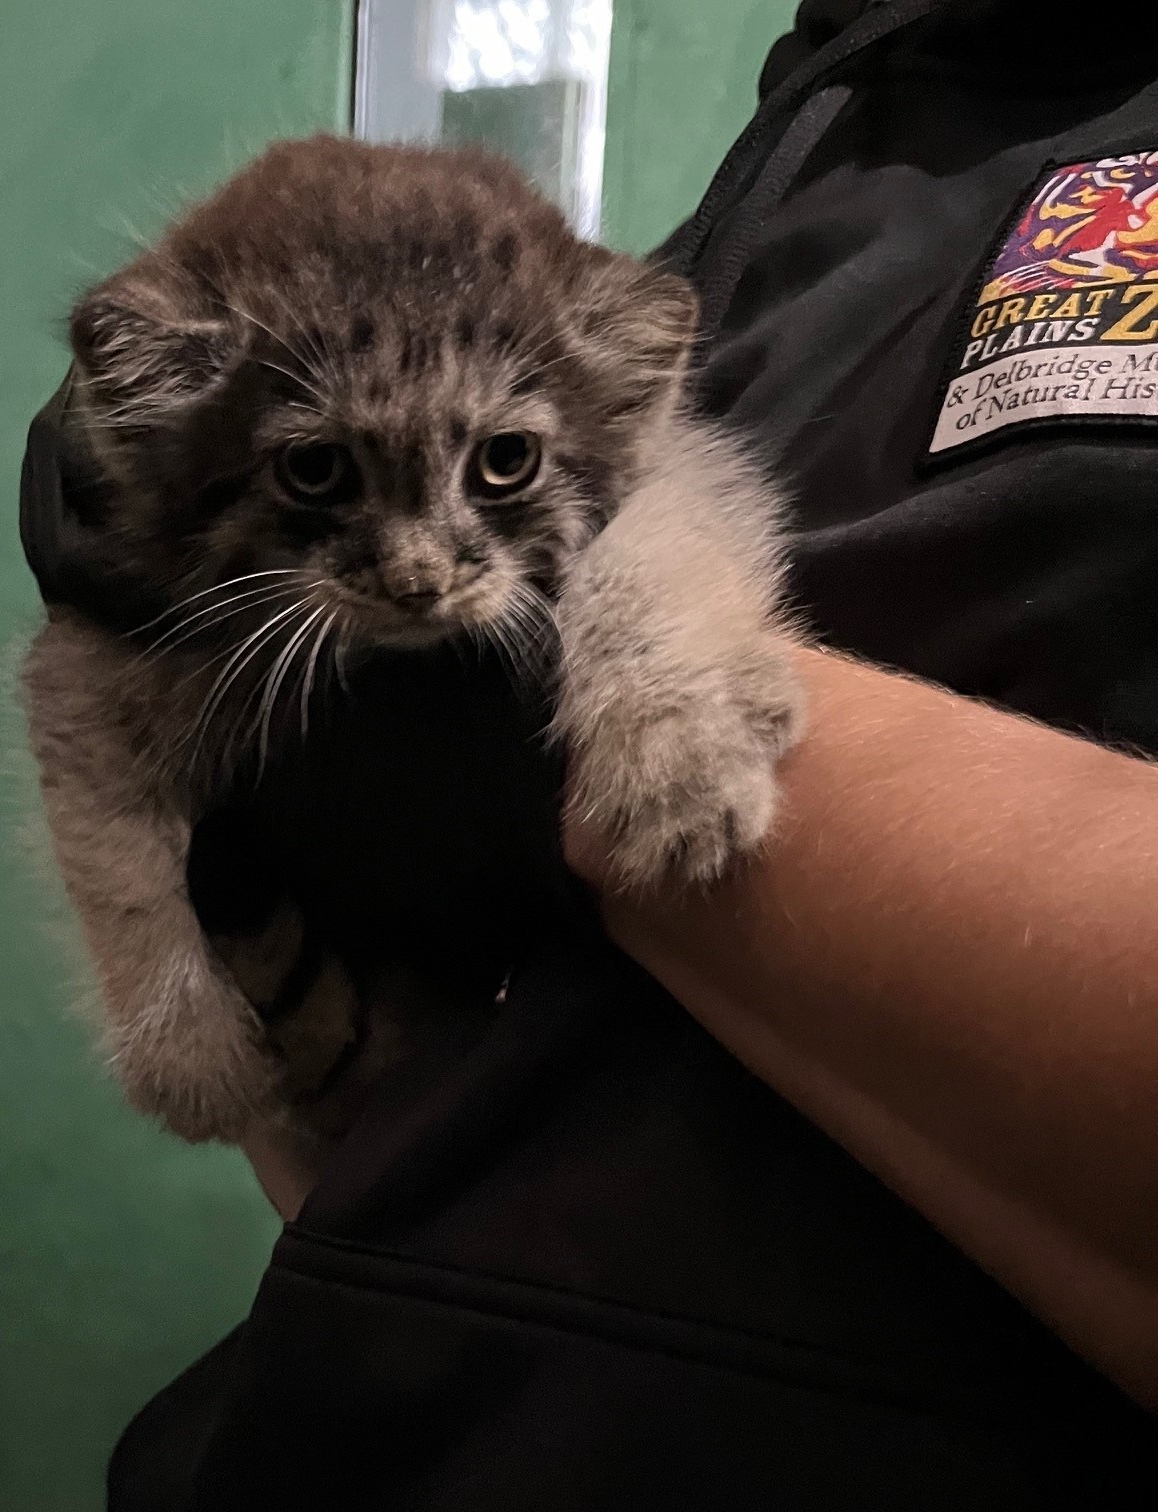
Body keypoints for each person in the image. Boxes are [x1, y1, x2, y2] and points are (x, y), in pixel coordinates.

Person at [98, 1, 1158, 1504]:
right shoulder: (849, 101)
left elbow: (646, 515)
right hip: (367, 1407)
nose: (409, 569)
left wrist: (536, 751)